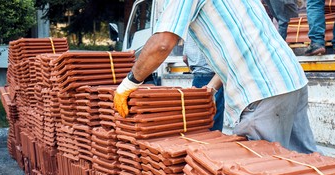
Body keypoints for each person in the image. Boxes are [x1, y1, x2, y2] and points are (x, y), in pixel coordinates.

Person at [114, 0, 318, 154]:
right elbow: (240, 40)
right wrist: (211, 87)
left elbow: (162, 43)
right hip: (290, 78)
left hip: (262, 90)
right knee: (305, 163)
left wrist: (128, 83)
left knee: (263, 174)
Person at [183, 33, 224, 131]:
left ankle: (200, 143)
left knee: (198, 117)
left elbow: (185, 58)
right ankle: (212, 144)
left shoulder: (189, 33)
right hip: (214, 78)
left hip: (197, 78)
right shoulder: (208, 30)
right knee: (213, 119)